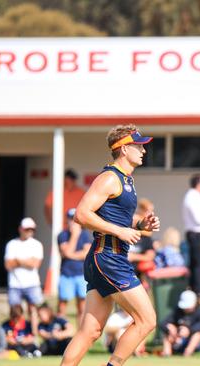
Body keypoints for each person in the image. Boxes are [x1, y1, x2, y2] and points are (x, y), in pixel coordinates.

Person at [61, 124, 160, 366]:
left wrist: (140, 224)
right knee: (147, 320)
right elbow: (81, 215)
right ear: (124, 149)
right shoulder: (109, 178)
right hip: (109, 259)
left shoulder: (126, 180)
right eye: (139, 146)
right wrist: (121, 231)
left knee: (91, 332)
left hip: (104, 258)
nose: (143, 151)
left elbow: (118, 218)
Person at [4, 217, 44, 334]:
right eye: (27, 229)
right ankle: (15, 335)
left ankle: (34, 335)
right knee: (15, 311)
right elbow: (8, 265)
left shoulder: (37, 244)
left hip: (32, 283)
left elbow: (35, 264)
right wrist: (27, 261)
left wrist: (18, 260)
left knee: (34, 310)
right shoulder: (12, 244)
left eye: (32, 230)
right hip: (15, 284)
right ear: (20, 229)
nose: (29, 232)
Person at [57, 208, 91, 320]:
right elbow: (65, 251)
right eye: (71, 219)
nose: (73, 222)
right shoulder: (62, 235)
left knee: (82, 307)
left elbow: (86, 254)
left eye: (75, 219)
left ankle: (79, 334)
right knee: (62, 306)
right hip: (66, 274)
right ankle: (61, 332)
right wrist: (74, 236)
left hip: (81, 274)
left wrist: (70, 254)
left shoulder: (85, 234)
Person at [160, 290, 200, 357]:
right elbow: (162, 323)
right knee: (167, 334)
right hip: (177, 339)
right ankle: (167, 354)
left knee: (198, 334)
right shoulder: (177, 311)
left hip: (193, 342)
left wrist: (189, 331)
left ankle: (187, 353)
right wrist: (170, 328)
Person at [128, 198, 157, 277]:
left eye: (151, 211)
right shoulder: (124, 230)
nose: (150, 215)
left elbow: (150, 256)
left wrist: (134, 257)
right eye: (147, 211)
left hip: (135, 274)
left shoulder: (146, 237)